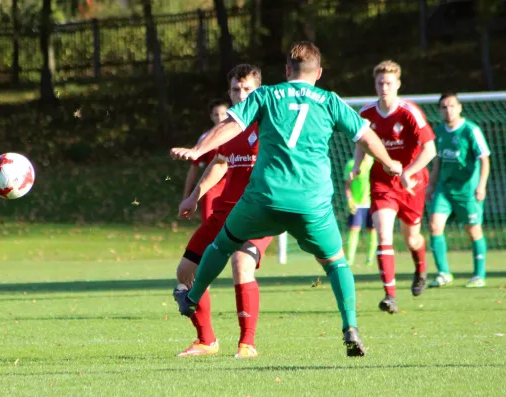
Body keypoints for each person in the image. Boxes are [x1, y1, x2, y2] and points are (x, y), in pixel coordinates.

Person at [171, 41, 403, 357]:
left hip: (264, 199)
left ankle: (193, 297)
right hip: (312, 203)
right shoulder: (330, 101)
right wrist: (390, 163)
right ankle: (350, 326)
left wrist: (198, 150)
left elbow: (229, 125)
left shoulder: (266, 96)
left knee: (223, 245)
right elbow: (366, 135)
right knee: (336, 263)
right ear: (318, 73)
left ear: (286, 71)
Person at [174, 64, 273, 359]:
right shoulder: (228, 128)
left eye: (247, 89)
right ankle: (206, 341)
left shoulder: (270, 124)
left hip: (258, 213)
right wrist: (193, 197)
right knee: (184, 272)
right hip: (224, 213)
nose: (240, 95)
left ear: (259, 91)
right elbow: (219, 162)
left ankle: (247, 344)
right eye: (235, 89)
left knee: (241, 264)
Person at [354, 60, 436, 314]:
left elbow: (430, 149)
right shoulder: (366, 113)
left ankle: (420, 267)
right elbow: (361, 142)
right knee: (383, 235)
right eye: (380, 82)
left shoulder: (409, 111)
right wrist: (358, 165)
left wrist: (408, 172)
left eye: (389, 82)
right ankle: (390, 296)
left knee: (411, 238)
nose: (384, 87)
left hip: (411, 184)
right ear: (375, 84)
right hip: (382, 183)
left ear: (398, 84)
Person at [426, 92, 491, 288]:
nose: (448, 110)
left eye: (452, 106)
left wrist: (481, 185)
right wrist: (431, 184)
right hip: (444, 190)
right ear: (439, 110)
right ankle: (443, 273)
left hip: (467, 191)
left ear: (460, 107)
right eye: (444, 107)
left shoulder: (471, 130)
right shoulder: (437, 132)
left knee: (473, 230)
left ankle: (479, 275)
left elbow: (484, 159)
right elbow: (437, 161)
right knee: (434, 225)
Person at [182, 99, 229, 222]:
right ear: (211, 117)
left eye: (223, 114)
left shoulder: (239, 135)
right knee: (210, 229)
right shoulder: (206, 139)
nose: (220, 118)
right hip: (211, 189)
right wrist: (187, 197)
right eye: (216, 114)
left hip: (232, 189)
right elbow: (194, 168)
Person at [344, 154, 377, 267]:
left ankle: (370, 259)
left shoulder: (375, 163)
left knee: (372, 230)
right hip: (356, 204)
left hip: (372, 203)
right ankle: (349, 259)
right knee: (353, 229)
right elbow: (347, 184)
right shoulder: (351, 164)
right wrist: (349, 199)